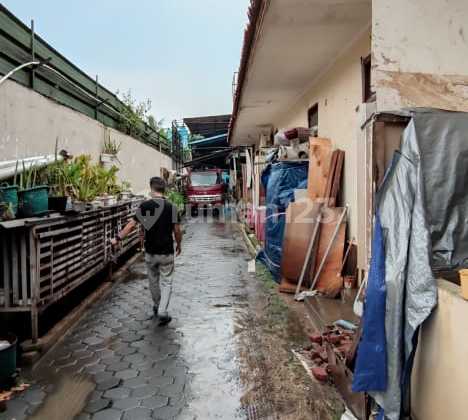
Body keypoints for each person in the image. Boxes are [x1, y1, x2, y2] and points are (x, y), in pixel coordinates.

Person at [111, 177, 182, 326]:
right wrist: (179, 244)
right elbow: (176, 230)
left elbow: (131, 225)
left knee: (153, 281)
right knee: (167, 282)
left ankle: (157, 305)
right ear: (164, 190)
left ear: (151, 189)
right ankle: (162, 310)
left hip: (150, 252)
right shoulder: (172, 207)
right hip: (166, 252)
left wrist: (117, 238)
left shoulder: (145, 206)